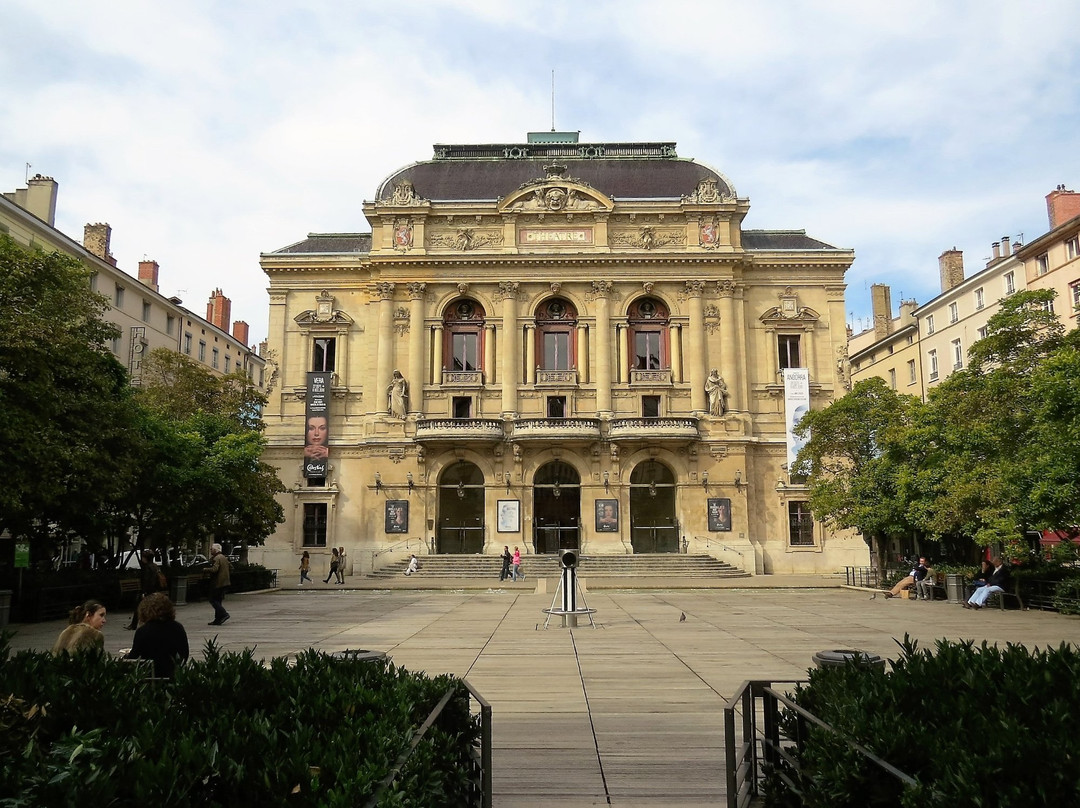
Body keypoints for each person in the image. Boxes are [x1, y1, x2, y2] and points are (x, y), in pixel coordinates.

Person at [126, 593, 189, 678]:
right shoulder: (178, 627)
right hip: (173, 675)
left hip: (151, 676)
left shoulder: (143, 631)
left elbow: (135, 658)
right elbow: (184, 653)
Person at [127, 548, 166, 630]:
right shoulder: (155, 566)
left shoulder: (147, 567)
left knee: (139, 606)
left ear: (146, 558)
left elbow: (147, 580)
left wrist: (144, 592)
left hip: (148, 591)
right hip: (155, 590)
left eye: (143, 557)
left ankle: (134, 624)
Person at [207, 543, 231, 625]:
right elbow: (231, 567)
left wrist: (205, 569)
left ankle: (224, 614)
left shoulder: (217, 558)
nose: (210, 551)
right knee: (218, 600)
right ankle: (218, 619)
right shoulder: (224, 557)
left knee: (213, 600)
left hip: (218, 582)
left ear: (215, 550)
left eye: (211, 549)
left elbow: (214, 569)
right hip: (225, 582)